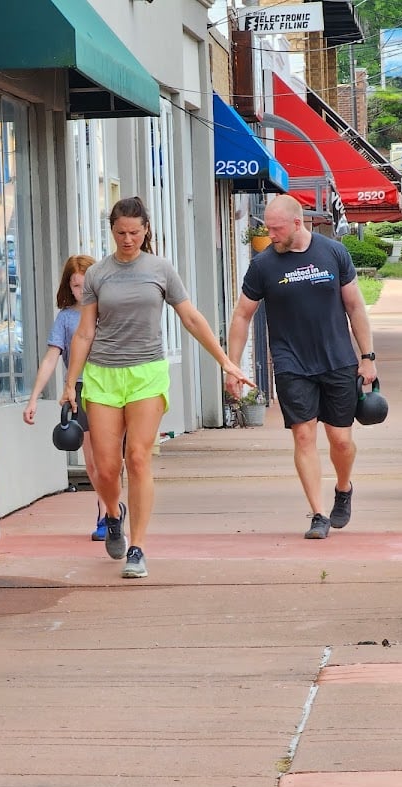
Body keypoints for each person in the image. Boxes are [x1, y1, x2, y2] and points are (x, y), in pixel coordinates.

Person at [61, 196, 251, 579]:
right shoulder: (98, 274)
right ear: (111, 231)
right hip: (103, 375)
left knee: (138, 457)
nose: (127, 239)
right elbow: (84, 332)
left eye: (134, 232)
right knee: (105, 466)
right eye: (120, 233)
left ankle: (137, 546)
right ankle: (114, 514)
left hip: (147, 371)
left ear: (146, 229)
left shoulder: (161, 269)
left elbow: (191, 318)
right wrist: (69, 383)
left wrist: (225, 361)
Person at [225, 194, 377, 540]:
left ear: (298, 223)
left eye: (276, 229)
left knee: (340, 440)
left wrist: (368, 357)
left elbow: (355, 307)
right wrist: (232, 366)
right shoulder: (263, 265)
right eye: (268, 228)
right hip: (291, 362)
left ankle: (343, 488)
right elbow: (241, 316)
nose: (271, 235)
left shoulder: (333, 252)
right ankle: (319, 514)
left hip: (338, 359)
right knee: (304, 434)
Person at [23, 254, 106, 540]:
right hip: (81, 389)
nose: (80, 292)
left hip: (111, 388)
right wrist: (34, 397)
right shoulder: (67, 318)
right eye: (75, 286)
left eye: (85, 285)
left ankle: (111, 509)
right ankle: (107, 510)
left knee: (111, 458)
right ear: (67, 287)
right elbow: (50, 358)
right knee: (93, 462)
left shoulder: (108, 311)